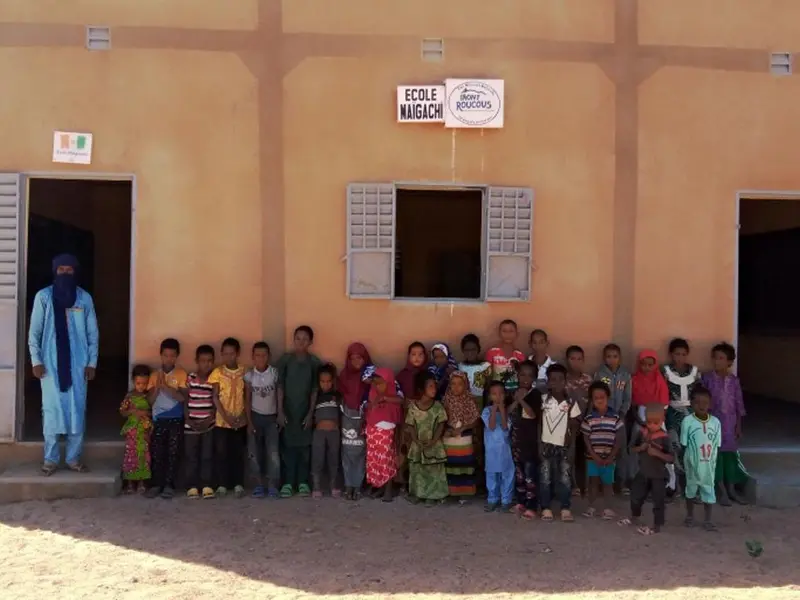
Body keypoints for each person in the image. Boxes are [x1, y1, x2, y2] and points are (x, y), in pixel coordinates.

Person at [29, 254, 99, 475]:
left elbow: (92, 334)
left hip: (78, 365)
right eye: (62, 270)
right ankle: (50, 460)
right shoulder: (43, 297)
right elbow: (35, 332)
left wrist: (92, 362)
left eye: (70, 270)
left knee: (77, 410)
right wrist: (36, 360)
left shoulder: (84, 299)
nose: (66, 274)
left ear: (75, 272)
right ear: (55, 272)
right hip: (49, 365)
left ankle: (73, 459)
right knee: (51, 411)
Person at [702, 342, 750, 506]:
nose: (717, 361)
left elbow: (739, 405)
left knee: (730, 458)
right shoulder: (706, 379)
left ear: (729, 362)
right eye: (715, 358)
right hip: (712, 423)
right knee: (715, 458)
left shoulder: (734, 381)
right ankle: (720, 489)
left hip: (730, 425)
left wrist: (738, 426)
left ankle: (731, 489)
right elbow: (702, 403)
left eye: (721, 358)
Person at [276, 325, 321, 498]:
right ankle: (288, 483)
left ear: (310, 342)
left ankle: (303, 482)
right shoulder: (286, 360)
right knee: (287, 447)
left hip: (304, 411)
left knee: (304, 449)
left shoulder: (314, 363)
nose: (300, 342)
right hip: (288, 410)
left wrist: (311, 413)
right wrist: (280, 411)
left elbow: (315, 390)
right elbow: (280, 386)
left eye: (305, 339)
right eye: (297, 338)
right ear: (293, 340)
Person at [621, 403, 674, 535]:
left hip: (658, 475)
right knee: (635, 496)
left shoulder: (665, 437)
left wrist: (658, 454)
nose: (652, 425)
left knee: (658, 501)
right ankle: (634, 517)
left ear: (662, 421)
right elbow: (630, 449)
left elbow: (671, 458)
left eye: (656, 422)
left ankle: (656, 526)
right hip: (643, 472)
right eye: (649, 422)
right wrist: (641, 448)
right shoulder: (642, 433)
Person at [539, 363, 581, 522]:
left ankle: (565, 507)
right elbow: (539, 425)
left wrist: (572, 448)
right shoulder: (543, 400)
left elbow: (575, 426)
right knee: (545, 477)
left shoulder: (571, 402)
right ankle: (546, 507)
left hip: (564, 446)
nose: (556, 383)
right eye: (553, 379)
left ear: (565, 381)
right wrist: (539, 443)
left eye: (560, 379)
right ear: (548, 382)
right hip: (545, 444)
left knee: (564, 477)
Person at [146, 338, 188, 499]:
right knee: (157, 453)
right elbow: (149, 401)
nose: (169, 359)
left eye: (172, 355)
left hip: (176, 419)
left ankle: (169, 485)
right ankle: (156, 484)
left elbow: (182, 398)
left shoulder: (181, 373)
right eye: (166, 355)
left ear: (177, 356)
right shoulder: (154, 375)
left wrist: (166, 387)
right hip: (158, 420)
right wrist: (157, 387)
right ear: (160, 355)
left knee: (173, 453)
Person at [662, 338, 700, 498]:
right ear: (671, 354)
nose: (680, 357)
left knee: (691, 450)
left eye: (683, 354)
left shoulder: (694, 372)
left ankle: (692, 487)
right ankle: (673, 485)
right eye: (677, 354)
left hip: (691, 415)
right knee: (673, 447)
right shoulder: (665, 371)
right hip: (671, 414)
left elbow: (698, 394)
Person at [209, 337, 247, 498]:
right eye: (225, 354)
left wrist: (243, 415)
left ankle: (238, 483)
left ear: (237, 354)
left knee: (237, 452)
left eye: (232, 353)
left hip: (240, 419)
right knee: (221, 453)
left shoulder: (244, 372)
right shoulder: (217, 372)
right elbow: (215, 396)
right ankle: (222, 484)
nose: (228, 357)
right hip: (221, 421)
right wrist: (225, 417)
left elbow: (246, 396)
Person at [580, 381, 624, 520]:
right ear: (591, 400)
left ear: (608, 397)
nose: (599, 400)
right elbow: (586, 439)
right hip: (592, 458)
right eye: (595, 398)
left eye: (602, 397)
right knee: (593, 482)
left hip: (609, 458)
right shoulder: (589, 419)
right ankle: (591, 507)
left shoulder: (615, 418)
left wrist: (612, 455)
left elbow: (619, 438)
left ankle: (608, 508)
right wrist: (594, 455)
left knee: (607, 484)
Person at [681, 385, 722, 531]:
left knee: (708, 491)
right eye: (697, 402)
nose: (702, 406)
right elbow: (684, 443)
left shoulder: (716, 423)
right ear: (691, 404)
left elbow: (717, 444)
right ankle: (690, 515)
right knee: (690, 490)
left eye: (705, 402)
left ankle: (708, 519)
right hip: (692, 463)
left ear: (710, 404)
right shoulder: (688, 422)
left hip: (709, 465)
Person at [244, 341, 282, 499]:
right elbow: (247, 399)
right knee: (254, 452)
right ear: (253, 357)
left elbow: (279, 394)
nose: (261, 358)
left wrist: (280, 414)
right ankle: (258, 484)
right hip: (255, 416)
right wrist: (249, 421)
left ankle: (272, 484)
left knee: (273, 452)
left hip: (271, 417)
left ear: (269, 357)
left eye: (264, 355)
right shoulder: (249, 375)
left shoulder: (274, 373)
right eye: (257, 355)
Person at [594, 343, 633, 493]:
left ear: (620, 358)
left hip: (620, 418)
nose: (612, 359)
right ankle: (603, 483)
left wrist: (622, 413)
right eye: (609, 356)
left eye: (615, 356)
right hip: (604, 417)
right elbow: (596, 395)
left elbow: (628, 397)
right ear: (604, 358)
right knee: (603, 449)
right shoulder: (600, 374)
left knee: (621, 450)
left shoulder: (625, 374)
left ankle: (621, 483)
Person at [405, 371, 449, 505]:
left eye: (434, 386)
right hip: (418, 445)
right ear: (421, 389)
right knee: (417, 470)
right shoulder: (413, 408)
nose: (433, 389)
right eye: (430, 386)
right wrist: (416, 440)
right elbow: (410, 426)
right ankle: (418, 494)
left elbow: (441, 425)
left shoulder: (438, 407)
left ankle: (432, 495)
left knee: (433, 470)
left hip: (433, 444)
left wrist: (434, 440)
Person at [457, 333, 492, 490]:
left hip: (480, 405)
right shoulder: (460, 367)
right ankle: (467, 480)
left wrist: (486, 409)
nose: (470, 353)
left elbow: (488, 389)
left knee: (481, 443)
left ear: (478, 349)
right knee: (467, 442)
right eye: (466, 350)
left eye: (473, 349)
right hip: (464, 406)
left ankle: (481, 481)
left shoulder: (486, 367)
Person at [338, 343, 372, 500]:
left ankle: (357, 486)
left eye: (360, 357)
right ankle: (347, 485)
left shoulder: (370, 375)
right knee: (347, 452)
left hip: (365, 417)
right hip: (347, 417)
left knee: (361, 452)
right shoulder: (344, 375)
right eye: (353, 358)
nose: (356, 361)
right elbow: (340, 394)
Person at [508, 360, 541, 520]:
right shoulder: (513, 393)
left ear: (534, 377)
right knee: (519, 474)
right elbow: (508, 412)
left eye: (529, 375)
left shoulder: (535, 395)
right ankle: (520, 502)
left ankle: (532, 505)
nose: (525, 378)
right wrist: (516, 399)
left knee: (530, 475)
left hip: (530, 442)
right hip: (516, 440)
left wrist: (521, 400)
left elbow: (533, 414)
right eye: (522, 374)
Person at [364, 367, 403, 502]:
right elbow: (369, 411)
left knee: (386, 460)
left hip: (386, 431)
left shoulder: (393, 397)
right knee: (374, 461)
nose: (377, 386)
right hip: (372, 430)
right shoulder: (372, 395)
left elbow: (399, 405)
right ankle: (379, 486)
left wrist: (385, 398)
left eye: (381, 383)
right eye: (375, 383)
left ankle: (388, 489)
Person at [184, 344, 217, 499]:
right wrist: (188, 419)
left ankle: (206, 485)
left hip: (208, 426)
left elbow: (216, 402)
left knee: (207, 456)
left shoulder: (214, 380)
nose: (207, 364)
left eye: (210, 361)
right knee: (191, 457)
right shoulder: (190, 378)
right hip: (190, 427)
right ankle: (191, 486)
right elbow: (185, 400)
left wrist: (210, 419)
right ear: (197, 361)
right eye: (203, 361)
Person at [441, 371, 479, 502]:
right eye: (453, 384)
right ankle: (452, 491)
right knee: (451, 465)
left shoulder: (469, 399)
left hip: (464, 436)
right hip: (449, 436)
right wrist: (447, 430)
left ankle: (464, 493)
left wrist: (463, 428)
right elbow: (442, 418)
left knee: (464, 465)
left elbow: (475, 420)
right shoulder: (446, 399)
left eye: (460, 384)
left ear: (465, 385)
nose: (456, 387)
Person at [119, 364, 152, 494]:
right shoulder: (129, 396)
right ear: (133, 381)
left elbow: (151, 412)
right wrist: (132, 411)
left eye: (144, 383)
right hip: (133, 431)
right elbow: (122, 412)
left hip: (144, 431)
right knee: (131, 456)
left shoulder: (148, 397)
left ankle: (142, 483)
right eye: (138, 383)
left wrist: (143, 413)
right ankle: (130, 483)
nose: (141, 386)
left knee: (144, 456)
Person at [482, 380, 515, 512]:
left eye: (501, 393)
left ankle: (506, 500)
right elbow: (491, 426)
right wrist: (494, 408)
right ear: (490, 396)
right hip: (491, 451)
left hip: (504, 450)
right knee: (492, 475)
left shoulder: (508, 411)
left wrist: (501, 410)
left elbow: (505, 426)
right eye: (494, 394)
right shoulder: (486, 411)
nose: (498, 396)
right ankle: (492, 499)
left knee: (506, 475)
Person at [565, 344, 592, 496]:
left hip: (586, 422)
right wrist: (571, 420)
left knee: (586, 454)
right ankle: (573, 484)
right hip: (570, 423)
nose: (575, 362)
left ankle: (586, 485)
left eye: (579, 359)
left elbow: (592, 401)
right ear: (567, 360)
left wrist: (587, 420)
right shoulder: (564, 379)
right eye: (572, 358)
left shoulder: (588, 379)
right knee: (571, 454)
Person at [311, 363, 342, 498]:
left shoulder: (337, 396)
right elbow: (311, 412)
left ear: (333, 381)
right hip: (319, 433)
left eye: (329, 381)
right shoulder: (315, 396)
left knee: (333, 459)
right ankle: (316, 486)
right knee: (317, 458)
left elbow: (341, 413)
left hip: (334, 433)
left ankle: (333, 485)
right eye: (322, 381)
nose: (326, 384)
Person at [485, 319, 526, 392]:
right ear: (499, 333)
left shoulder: (520, 355)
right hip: (497, 393)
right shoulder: (492, 352)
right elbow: (488, 376)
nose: (508, 334)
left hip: (514, 392)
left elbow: (522, 376)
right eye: (504, 331)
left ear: (517, 334)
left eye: (511, 331)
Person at [528, 328, 556, 393]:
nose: (538, 346)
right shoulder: (526, 364)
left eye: (541, 342)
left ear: (547, 343)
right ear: (530, 344)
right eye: (534, 342)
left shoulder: (554, 366)